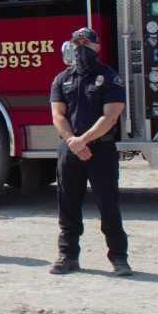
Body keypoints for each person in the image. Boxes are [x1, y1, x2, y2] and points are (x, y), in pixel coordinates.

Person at [49, 27, 131, 276]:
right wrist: (73, 141)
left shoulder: (110, 77)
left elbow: (111, 115)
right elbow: (57, 114)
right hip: (69, 149)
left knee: (108, 205)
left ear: (97, 47)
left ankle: (119, 258)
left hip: (101, 149)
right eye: (77, 43)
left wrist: (83, 140)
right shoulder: (62, 79)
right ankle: (68, 256)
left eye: (87, 43)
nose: (82, 47)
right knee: (67, 205)